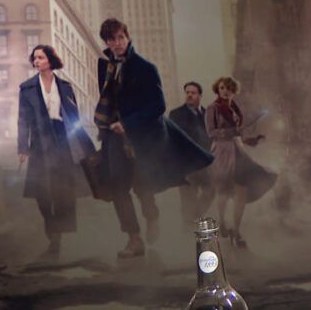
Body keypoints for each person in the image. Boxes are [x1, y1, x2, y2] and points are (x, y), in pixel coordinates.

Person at [95, 18, 212, 258]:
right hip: (114, 136)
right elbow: (109, 100)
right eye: (111, 39)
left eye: (120, 37)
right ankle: (134, 239)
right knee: (118, 185)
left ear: (128, 37)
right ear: (106, 42)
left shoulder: (146, 68)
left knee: (142, 185)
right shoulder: (105, 67)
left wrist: (128, 124)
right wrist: (108, 125)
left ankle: (152, 216)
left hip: (143, 137)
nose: (117, 43)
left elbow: (158, 105)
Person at [17, 45, 95, 259]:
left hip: (63, 140)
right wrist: (23, 146)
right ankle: (52, 227)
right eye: (34, 58)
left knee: (63, 190)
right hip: (40, 141)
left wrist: (83, 144)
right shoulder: (27, 88)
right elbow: (22, 120)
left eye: (41, 57)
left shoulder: (66, 87)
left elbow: (75, 118)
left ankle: (57, 239)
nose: (36, 61)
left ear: (50, 60)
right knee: (41, 191)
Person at [205, 76, 276, 248]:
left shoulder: (235, 109)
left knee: (241, 193)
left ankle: (236, 232)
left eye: (229, 88)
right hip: (222, 153)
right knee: (223, 191)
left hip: (239, 153)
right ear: (218, 89)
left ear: (234, 91)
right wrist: (231, 131)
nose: (225, 91)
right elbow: (211, 132)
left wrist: (251, 140)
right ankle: (222, 223)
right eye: (222, 88)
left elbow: (239, 134)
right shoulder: (212, 109)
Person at [169, 81, 215, 224]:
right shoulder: (176, 114)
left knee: (211, 190)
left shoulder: (207, 114)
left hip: (204, 163)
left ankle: (194, 216)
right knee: (188, 198)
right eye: (187, 92)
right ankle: (188, 230)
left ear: (200, 95)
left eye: (193, 93)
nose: (189, 95)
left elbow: (212, 135)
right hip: (185, 164)